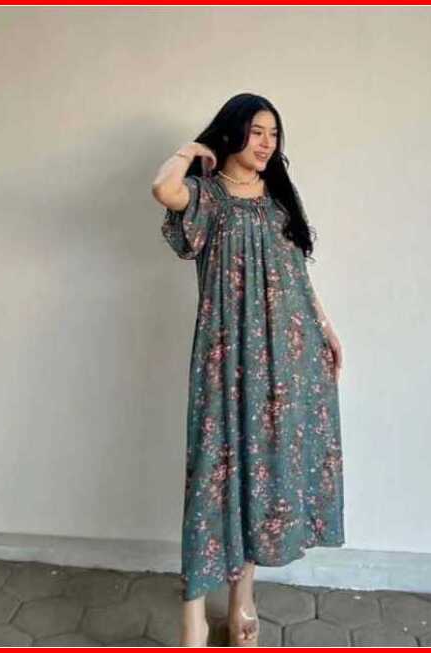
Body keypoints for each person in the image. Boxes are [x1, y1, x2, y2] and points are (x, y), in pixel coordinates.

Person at [151, 93, 345, 647]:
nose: (267, 143)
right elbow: (163, 190)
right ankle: (193, 615)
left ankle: (242, 602)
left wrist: (326, 329)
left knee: (260, 475)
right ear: (233, 131)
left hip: (283, 360)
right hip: (224, 356)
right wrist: (190, 150)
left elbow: (296, 275)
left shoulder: (278, 201)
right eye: (257, 131)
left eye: (274, 134)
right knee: (213, 475)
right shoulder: (207, 195)